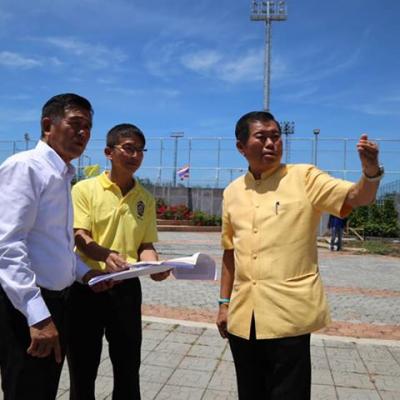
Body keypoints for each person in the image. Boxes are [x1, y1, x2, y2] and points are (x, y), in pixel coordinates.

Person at [216, 111, 383, 399]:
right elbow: (230, 252)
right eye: (261, 137)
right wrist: (223, 304)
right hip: (243, 316)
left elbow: (357, 197)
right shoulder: (232, 192)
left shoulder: (304, 177)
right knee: (249, 391)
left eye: (275, 136)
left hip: (288, 315)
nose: (271, 143)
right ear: (241, 147)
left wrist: (370, 173)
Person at [0, 93, 96, 399]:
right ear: (47, 125)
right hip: (27, 308)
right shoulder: (26, 167)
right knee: (27, 390)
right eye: (75, 123)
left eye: (88, 127)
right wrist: (38, 316)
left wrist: (86, 274)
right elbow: (8, 245)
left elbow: (54, 244)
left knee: (44, 389)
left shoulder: (62, 174)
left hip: (58, 304)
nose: (83, 133)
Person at [66, 123, 169, 400]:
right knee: (83, 368)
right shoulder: (84, 189)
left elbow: (145, 245)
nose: (135, 155)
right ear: (108, 152)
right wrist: (105, 255)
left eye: (140, 150)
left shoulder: (145, 198)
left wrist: (155, 266)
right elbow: (79, 236)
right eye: (128, 148)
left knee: (128, 366)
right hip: (87, 286)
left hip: (126, 289)